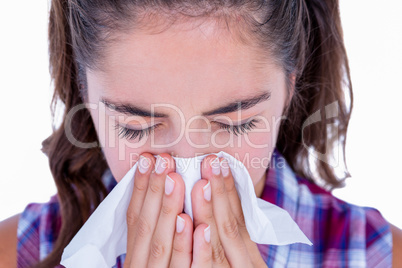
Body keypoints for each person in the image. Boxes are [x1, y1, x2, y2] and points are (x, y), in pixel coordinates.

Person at [1, 0, 401, 267]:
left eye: (236, 124)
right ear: (85, 94)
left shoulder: (375, 255)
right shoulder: (18, 252)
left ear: (289, 88)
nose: (186, 166)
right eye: (135, 127)